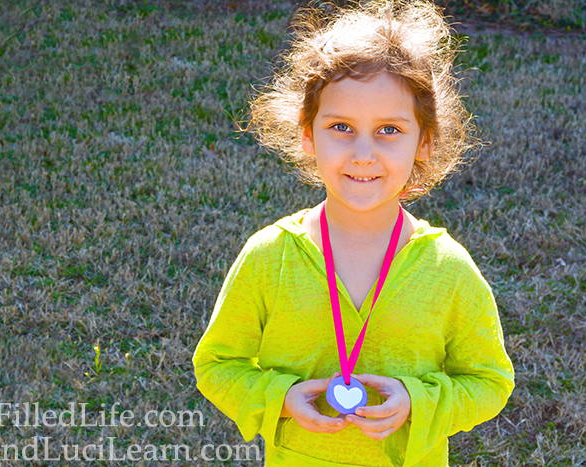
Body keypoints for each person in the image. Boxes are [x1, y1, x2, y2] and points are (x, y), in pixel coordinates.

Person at [192, 1, 514, 465]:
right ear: (308, 134)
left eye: (388, 129)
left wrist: (417, 402)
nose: (363, 153)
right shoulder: (270, 256)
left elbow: (490, 381)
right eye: (341, 127)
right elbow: (216, 364)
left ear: (423, 141)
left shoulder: (448, 269)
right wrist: (280, 397)